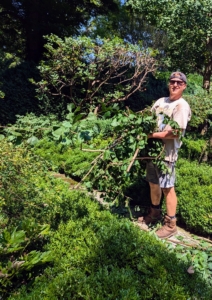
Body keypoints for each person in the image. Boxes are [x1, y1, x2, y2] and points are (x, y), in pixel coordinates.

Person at [138, 71, 191, 239]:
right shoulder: (161, 101)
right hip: (152, 152)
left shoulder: (182, 106)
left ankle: (171, 224)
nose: (174, 85)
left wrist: (151, 135)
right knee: (153, 183)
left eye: (178, 83)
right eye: (172, 82)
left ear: (184, 86)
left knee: (167, 188)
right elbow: (148, 118)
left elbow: (175, 133)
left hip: (167, 154)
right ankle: (154, 214)